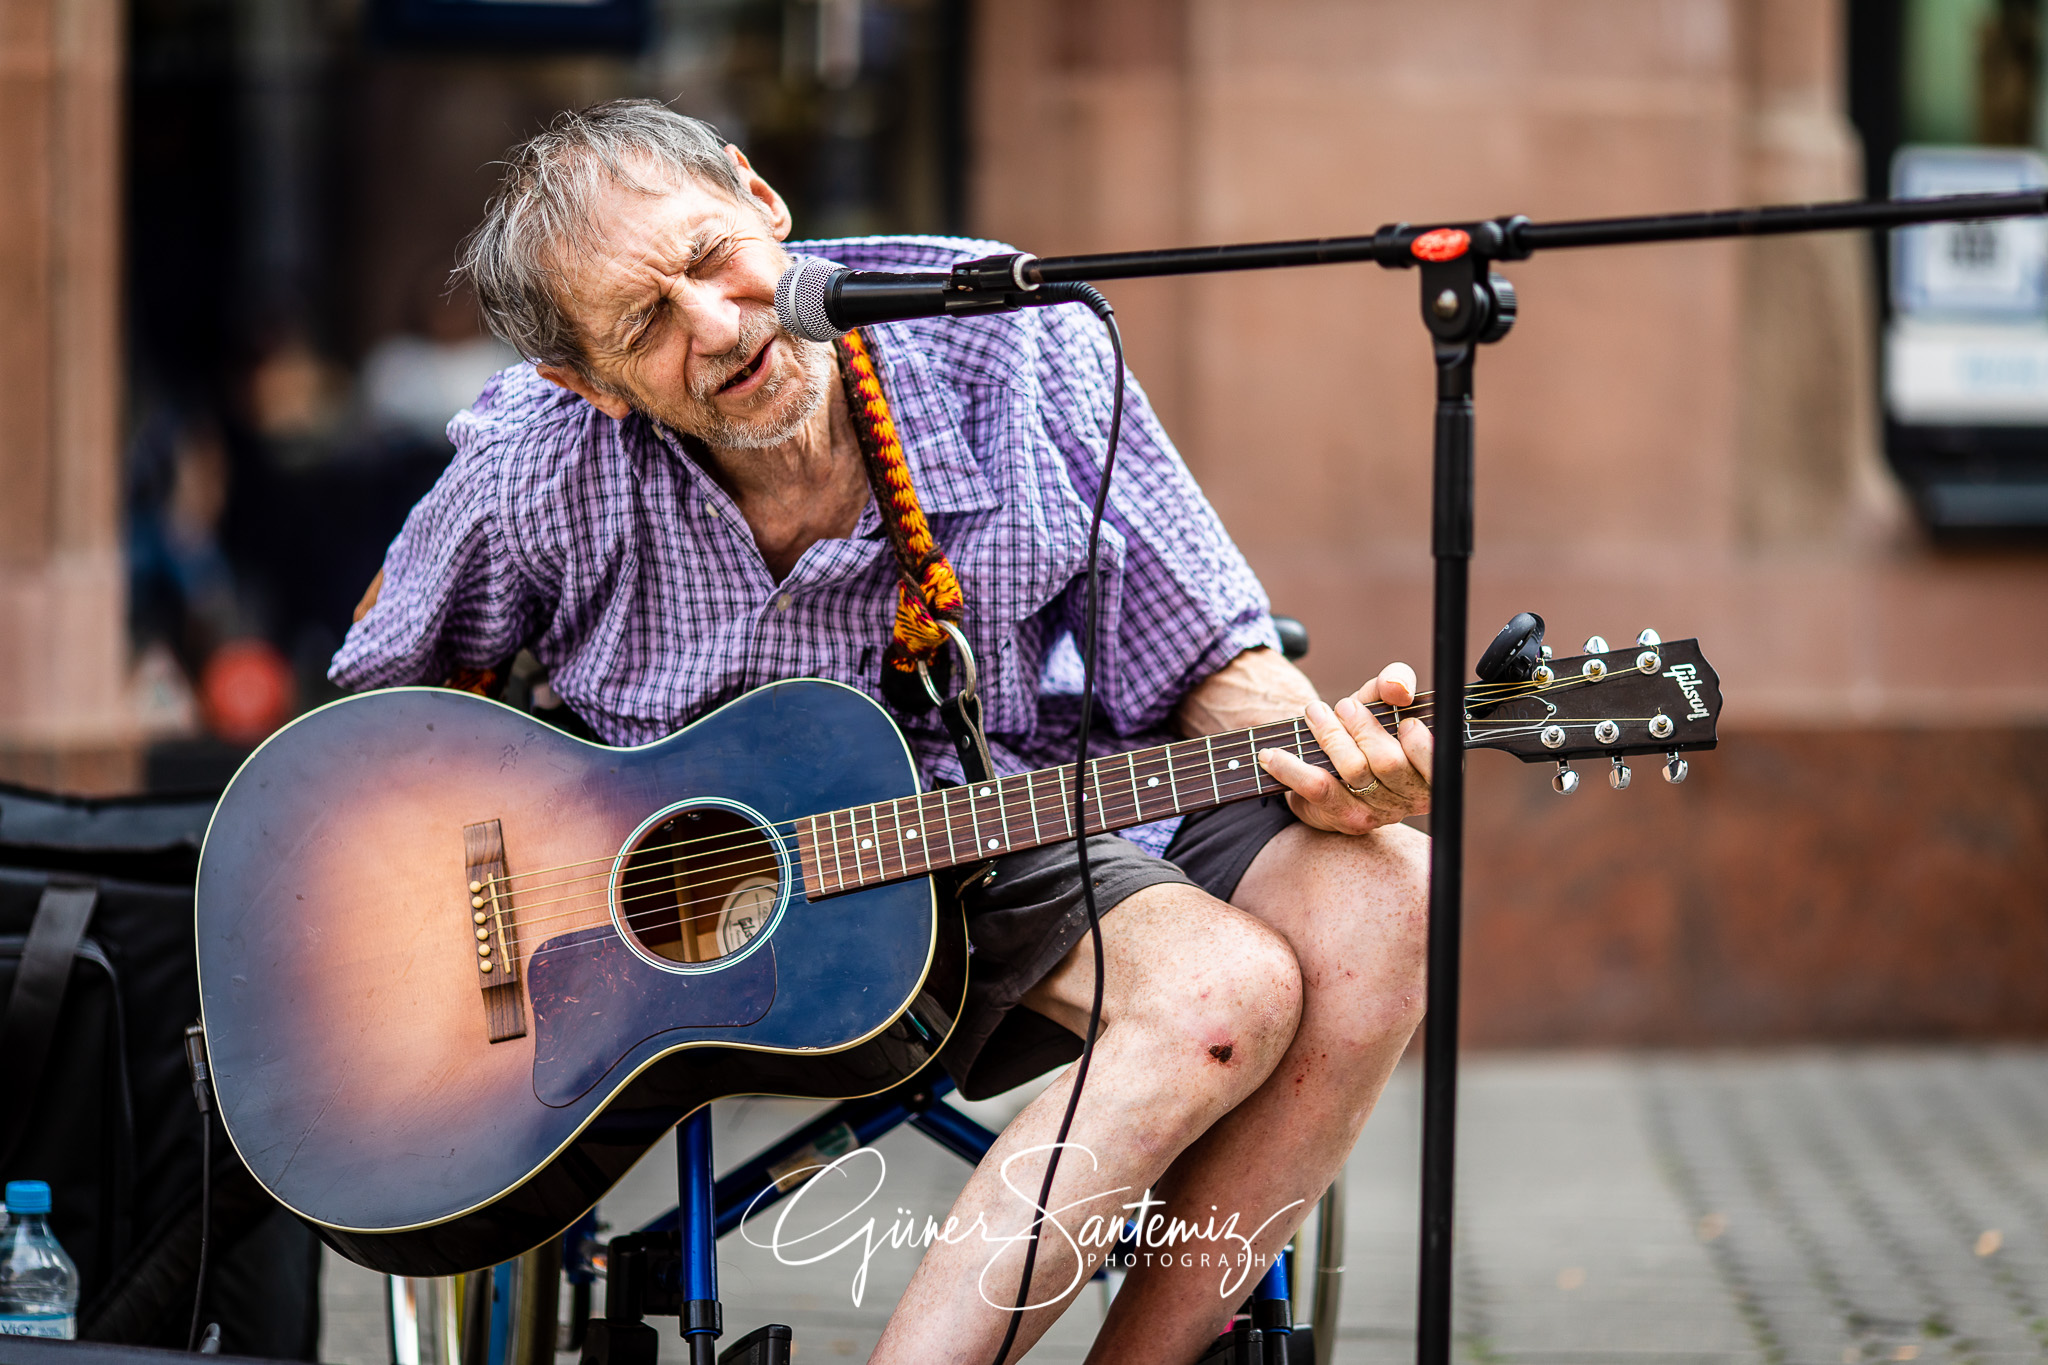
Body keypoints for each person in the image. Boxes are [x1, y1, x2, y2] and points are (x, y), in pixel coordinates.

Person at [332, 99, 1430, 1363]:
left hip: (985, 830)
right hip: (685, 929)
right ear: (589, 380)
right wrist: (486, 885)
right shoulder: (537, 462)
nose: (720, 325)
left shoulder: (1005, 338)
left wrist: (1339, 770)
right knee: (1221, 987)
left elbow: (1205, 650)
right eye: (647, 323)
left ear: (759, 197)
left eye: (706, 259)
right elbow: (372, 729)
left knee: (1382, 886)